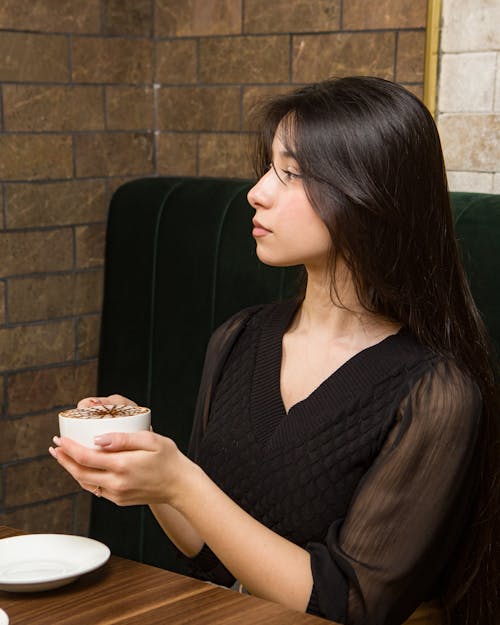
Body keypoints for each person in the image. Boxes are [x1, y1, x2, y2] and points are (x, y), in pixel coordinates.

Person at [49, 76, 499, 625]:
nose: (257, 191)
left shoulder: (435, 392)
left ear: (368, 195)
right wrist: (141, 460)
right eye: (268, 168)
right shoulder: (241, 337)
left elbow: (354, 607)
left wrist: (181, 481)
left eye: (290, 174)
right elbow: (209, 550)